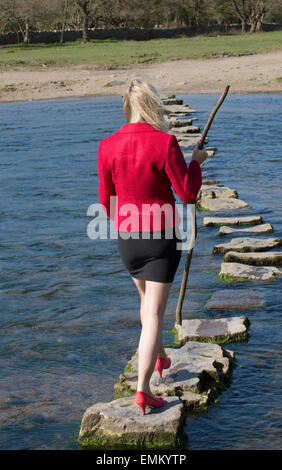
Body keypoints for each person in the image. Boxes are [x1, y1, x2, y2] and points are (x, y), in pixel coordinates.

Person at [97, 76, 207, 415]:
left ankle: (160, 357)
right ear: (151, 105)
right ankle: (143, 390)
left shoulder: (106, 146)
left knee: (147, 305)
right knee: (154, 312)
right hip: (160, 239)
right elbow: (187, 193)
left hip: (127, 239)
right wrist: (195, 163)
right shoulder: (165, 143)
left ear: (128, 106)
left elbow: (106, 203)